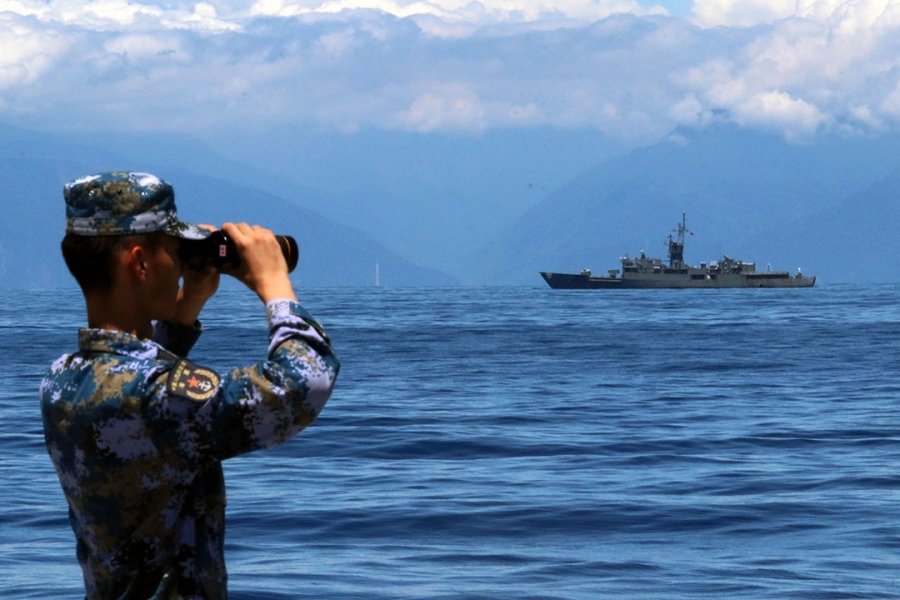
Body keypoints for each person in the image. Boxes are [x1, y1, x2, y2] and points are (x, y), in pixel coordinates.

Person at [40, 171, 340, 599]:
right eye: (175, 250)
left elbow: (134, 380)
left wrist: (186, 307)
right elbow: (303, 383)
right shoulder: (155, 397)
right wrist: (275, 286)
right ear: (140, 262)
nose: (182, 265)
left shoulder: (61, 379)